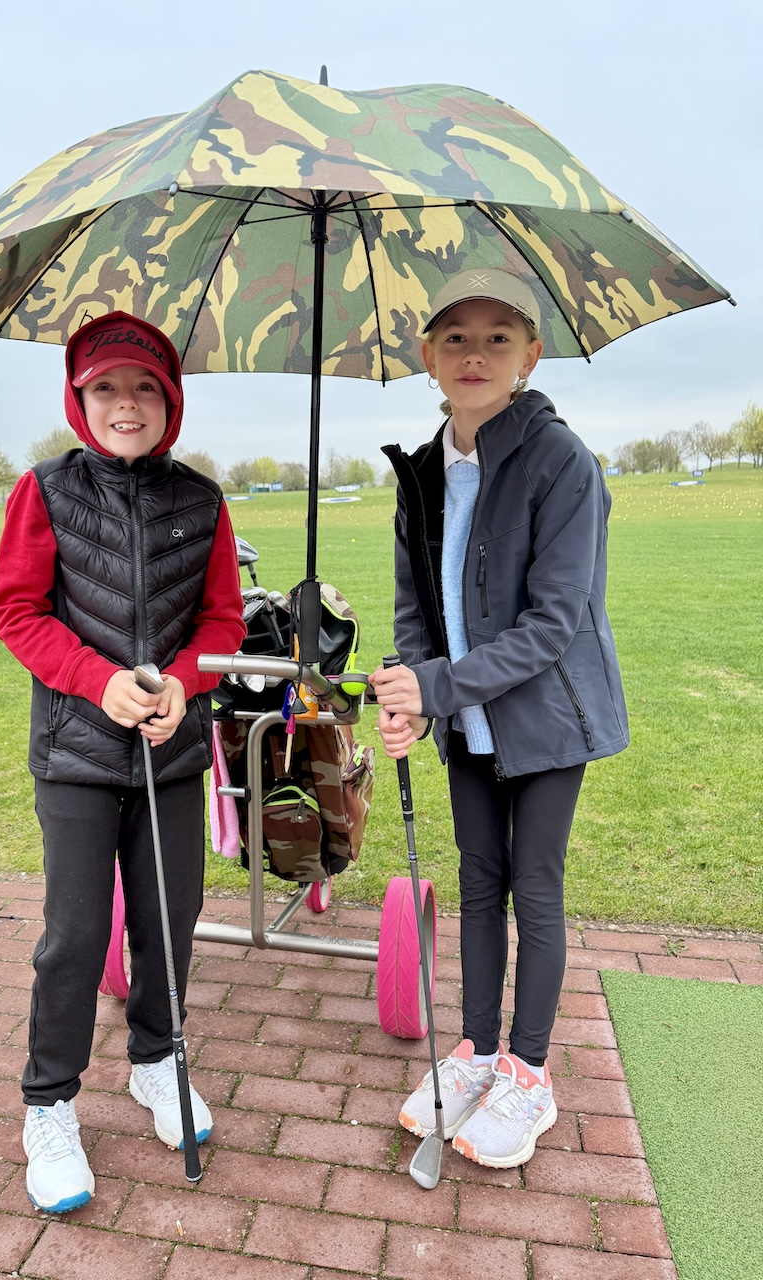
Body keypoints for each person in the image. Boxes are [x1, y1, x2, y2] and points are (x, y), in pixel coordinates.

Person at [370, 268, 629, 1170]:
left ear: (530, 355)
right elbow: (415, 608)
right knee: (478, 884)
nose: (474, 354)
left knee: (534, 886)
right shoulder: (422, 470)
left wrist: (436, 688)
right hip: (465, 724)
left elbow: (555, 623)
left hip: (549, 719)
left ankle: (529, 1073)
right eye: (455, 337)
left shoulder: (562, 461)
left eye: (497, 337)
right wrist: (412, 690)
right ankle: (478, 1051)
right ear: (427, 355)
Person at [0, 311, 245, 1212]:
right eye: (105, 388)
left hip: (171, 755)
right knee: (75, 934)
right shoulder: (45, 490)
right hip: (76, 755)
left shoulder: (203, 501)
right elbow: (17, 611)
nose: (124, 404)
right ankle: (49, 1103)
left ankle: (155, 1059)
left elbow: (222, 621)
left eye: (144, 387)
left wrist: (184, 681)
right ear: (79, 399)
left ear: (169, 401)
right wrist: (98, 682)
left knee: (172, 919)